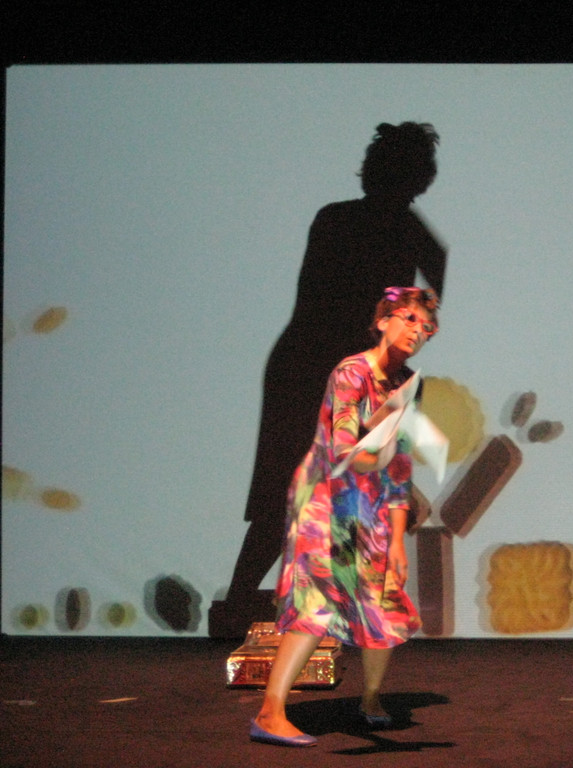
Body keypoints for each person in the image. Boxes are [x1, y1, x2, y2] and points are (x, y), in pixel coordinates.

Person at [211, 122, 447, 637]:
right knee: (295, 491)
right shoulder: (393, 229)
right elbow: (364, 305)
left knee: (298, 493)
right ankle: (250, 608)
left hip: (314, 364)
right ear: (418, 178)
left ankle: (256, 607)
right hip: (317, 367)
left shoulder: (346, 220)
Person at [249, 286, 439, 748]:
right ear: (383, 321)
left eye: (427, 326)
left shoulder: (407, 384)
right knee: (316, 600)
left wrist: (397, 538)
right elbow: (343, 448)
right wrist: (386, 433)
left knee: (384, 599)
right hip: (325, 501)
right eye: (409, 319)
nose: (418, 331)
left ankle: (370, 700)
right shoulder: (352, 372)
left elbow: (398, 468)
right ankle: (270, 713)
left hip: (370, 506)